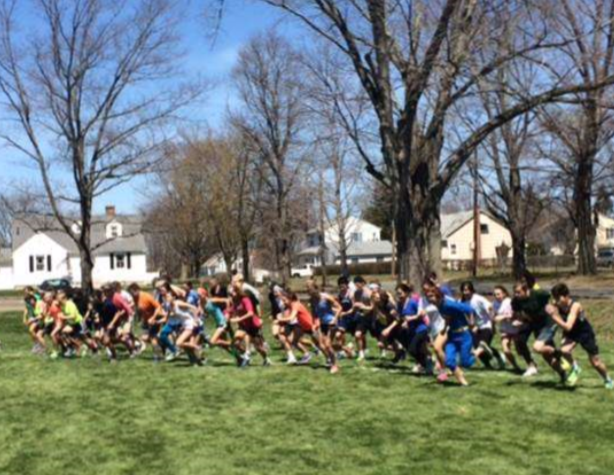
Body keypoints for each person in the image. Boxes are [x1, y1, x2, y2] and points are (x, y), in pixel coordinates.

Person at [550, 283, 613, 389]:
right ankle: (575, 367)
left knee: (595, 362)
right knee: (564, 350)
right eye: (555, 298)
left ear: (566, 295)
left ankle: (608, 379)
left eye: (558, 298)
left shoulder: (575, 306)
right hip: (572, 333)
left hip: (584, 333)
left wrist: (554, 317)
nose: (556, 301)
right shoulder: (557, 304)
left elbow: (568, 326)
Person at [512, 281, 566, 382]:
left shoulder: (538, 294)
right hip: (533, 323)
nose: (516, 295)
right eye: (515, 292)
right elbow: (517, 312)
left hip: (547, 323)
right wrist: (518, 319)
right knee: (522, 340)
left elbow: (552, 295)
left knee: (541, 351)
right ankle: (560, 372)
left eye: (518, 292)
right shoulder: (516, 301)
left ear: (526, 290)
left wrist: (554, 306)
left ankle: (560, 360)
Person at [426, 286, 475, 386]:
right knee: (449, 362)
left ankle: (478, 351)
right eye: (428, 297)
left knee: (466, 363)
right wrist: (444, 328)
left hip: (464, 335)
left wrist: (472, 322)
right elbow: (448, 317)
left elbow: (469, 309)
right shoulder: (439, 306)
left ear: (438, 296)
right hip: (452, 336)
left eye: (431, 296)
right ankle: (463, 382)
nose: (429, 299)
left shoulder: (449, 304)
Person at [279, 291, 339, 373]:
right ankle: (307, 355)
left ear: (290, 299)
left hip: (311, 325)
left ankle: (330, 358)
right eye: (282, 300)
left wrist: (279, 319)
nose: (283, 302)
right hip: (302, 326)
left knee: (321, 344)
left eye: (285, 300)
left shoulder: (295, 304)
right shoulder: (290, 305)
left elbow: (291, 317)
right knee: (294, 341)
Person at [460, 281, 505, 369]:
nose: (465, 292)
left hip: (486, 325)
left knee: (482, 345)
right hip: (473, 328)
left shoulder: (478, 299)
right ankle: (488, 364)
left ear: (472, 290)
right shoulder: (462, 301)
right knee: (480, 347)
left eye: (467, 290)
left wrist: (492, 323)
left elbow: (490, 308)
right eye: (463, 290)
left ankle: (498, 357)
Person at [227, 283, 270, 367]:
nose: (231, 294)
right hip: (243, 326)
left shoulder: (245, 299)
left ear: (237, 291)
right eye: (229, 293)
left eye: (232, 292)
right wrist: (227, 315)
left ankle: (266, 359)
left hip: (252, 325)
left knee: (258, 347)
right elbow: (230, 310)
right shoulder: (234, 301)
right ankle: (246, 355)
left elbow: (250, 313)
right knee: (235, 343)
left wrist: (238, 319)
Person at [395, 283, 431, 373]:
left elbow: (421, 315)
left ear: (406, 293)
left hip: (421, 329)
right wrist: (404, 321)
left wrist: (410, 319)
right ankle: (425, 364)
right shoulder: (399, 304)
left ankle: (425, 364)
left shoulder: (413, 303)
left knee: (412, 349)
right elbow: (402, 316)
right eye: (397, 293)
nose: (399, 296)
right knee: (415, 349)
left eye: (400, 293)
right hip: (411, 330)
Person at [492, 286, 522, 373]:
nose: (496, 296)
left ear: (504, 294)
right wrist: (493, 325)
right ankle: (515, 366)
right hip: (505, 329)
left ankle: (530, 364)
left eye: (498, 294)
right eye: (495, 294)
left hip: (515, 328)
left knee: (520, 351)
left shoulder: (509, 302)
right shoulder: (495, 304)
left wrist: (504, 317)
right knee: (506, 349)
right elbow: (494, 316)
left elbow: (514, 314)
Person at [128, 283, 162, 355]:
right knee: (144, 337)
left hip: (157, 317)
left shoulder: (146, 296)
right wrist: (140, 318)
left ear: (137, 290)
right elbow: (140, 309)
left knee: (152, 337)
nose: (132, 295)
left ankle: (157, 356)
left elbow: (158, 307)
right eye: (130, 293)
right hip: (147, 319)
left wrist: (153, 318)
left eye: (132, 293)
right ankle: (161, 346)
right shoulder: (135, 298)